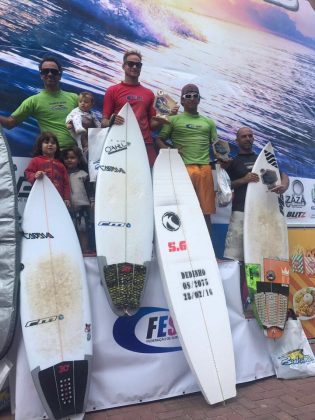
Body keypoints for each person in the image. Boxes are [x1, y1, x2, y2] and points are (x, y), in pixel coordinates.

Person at [223, 126, 289, 315]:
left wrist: (283, 185)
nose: (248, 138)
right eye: (243, 136)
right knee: (235, 262)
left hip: (263, 217)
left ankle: (256, 301)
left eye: (250, 136)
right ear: (237, 140)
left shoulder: (263, 160)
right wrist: (243, 180)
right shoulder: (233, 162)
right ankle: (236, 302)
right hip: (241, 214)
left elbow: (283, 174)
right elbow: (225, 186)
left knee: (259, 259)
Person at [156, 84, 217, 233]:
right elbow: (159, 140)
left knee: (206, 212)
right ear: (182, 101)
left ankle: (207, 250)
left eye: (195, 95)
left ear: (199, 100)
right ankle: (184, 248)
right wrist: (170, 151)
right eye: (188, 96)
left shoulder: (209, 122)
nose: (192, 98)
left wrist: (223, 158)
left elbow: (216, 146)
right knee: (182, 209)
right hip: (182, 169)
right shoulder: (173, 119)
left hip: (205, 169)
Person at [102, 50, 176, 166]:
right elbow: (103, 122)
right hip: (120, 144)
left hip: (145, 144)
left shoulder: (149, 93)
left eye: (138, 65)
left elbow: (152, 126)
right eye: (130, 64)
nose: (135, 67)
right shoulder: (112, 90)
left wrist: (166, 114)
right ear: (123, 66)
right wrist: (111, 121)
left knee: (147, 181)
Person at [0, 56, 78, 150]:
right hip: (53, 154)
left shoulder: (74, 97)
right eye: (45, 71)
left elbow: (90, 124)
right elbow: (10, 123)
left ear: (60, 76)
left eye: (54, 71)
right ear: (41, 75)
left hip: (76, 153)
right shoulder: (33, 101)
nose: (50, 74)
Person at [62, 146, 95, 255]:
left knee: (83, 229)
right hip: (66, 209)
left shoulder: (83, 174)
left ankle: (84, 250)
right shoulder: (61, 174)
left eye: (72, 157)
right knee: (69, 230)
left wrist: (92, 200)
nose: (69, 160)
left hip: (82, 207)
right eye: (66, 158)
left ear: (78, 159)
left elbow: (90, 189)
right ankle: (71, 252)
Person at [24, 132, 70, 207]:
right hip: (40, 198)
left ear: (57, 147)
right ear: (40, 146)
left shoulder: (61, 165)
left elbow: (66, 183)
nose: (50, 144)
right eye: (46, 142)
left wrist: (67, 198)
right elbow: (27, 173)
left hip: (58, 199)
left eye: (53, 143)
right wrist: (35, 175)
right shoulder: (35, 160)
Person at [66, 91, 101, 158]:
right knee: (77, 117)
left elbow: (97, 122)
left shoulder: (92, 114)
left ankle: (86, 155)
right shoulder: (76, 111)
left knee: (86, 145)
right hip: (76, 130)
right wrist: (69, 123)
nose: (82, 103)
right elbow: (70, 116)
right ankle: (79, 128)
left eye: (86, 102)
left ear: (91, 104)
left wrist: (100, 130)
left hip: (86, 133)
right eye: (80, 101)